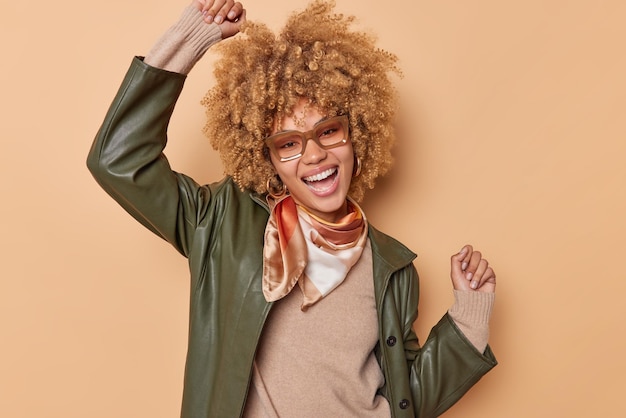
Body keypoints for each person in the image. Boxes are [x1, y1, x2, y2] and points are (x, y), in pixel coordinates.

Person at [87, 0, 498, 417]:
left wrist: (470, 315)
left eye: (329, 131)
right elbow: (118, 161)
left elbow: (406, 400)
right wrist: (188, 41)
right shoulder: (219, 223)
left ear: (356, 134)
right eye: (288, 143)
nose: (314, 154)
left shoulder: (392, 267)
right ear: (269, 161)